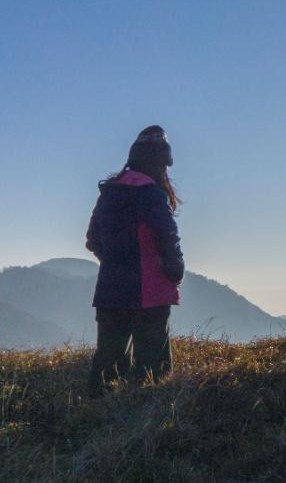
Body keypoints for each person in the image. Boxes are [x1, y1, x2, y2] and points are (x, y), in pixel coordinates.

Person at [85, 125, 184, 398]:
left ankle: (96, 421)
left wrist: (116, 263)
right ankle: (147, 428)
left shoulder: (109, 193)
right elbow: (167, 236)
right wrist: (174, 272)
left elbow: (93, 240)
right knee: (153, 372)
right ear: (161, 162)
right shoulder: (152, 195)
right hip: (150, 294)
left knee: (107, 364)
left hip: (110, 291)